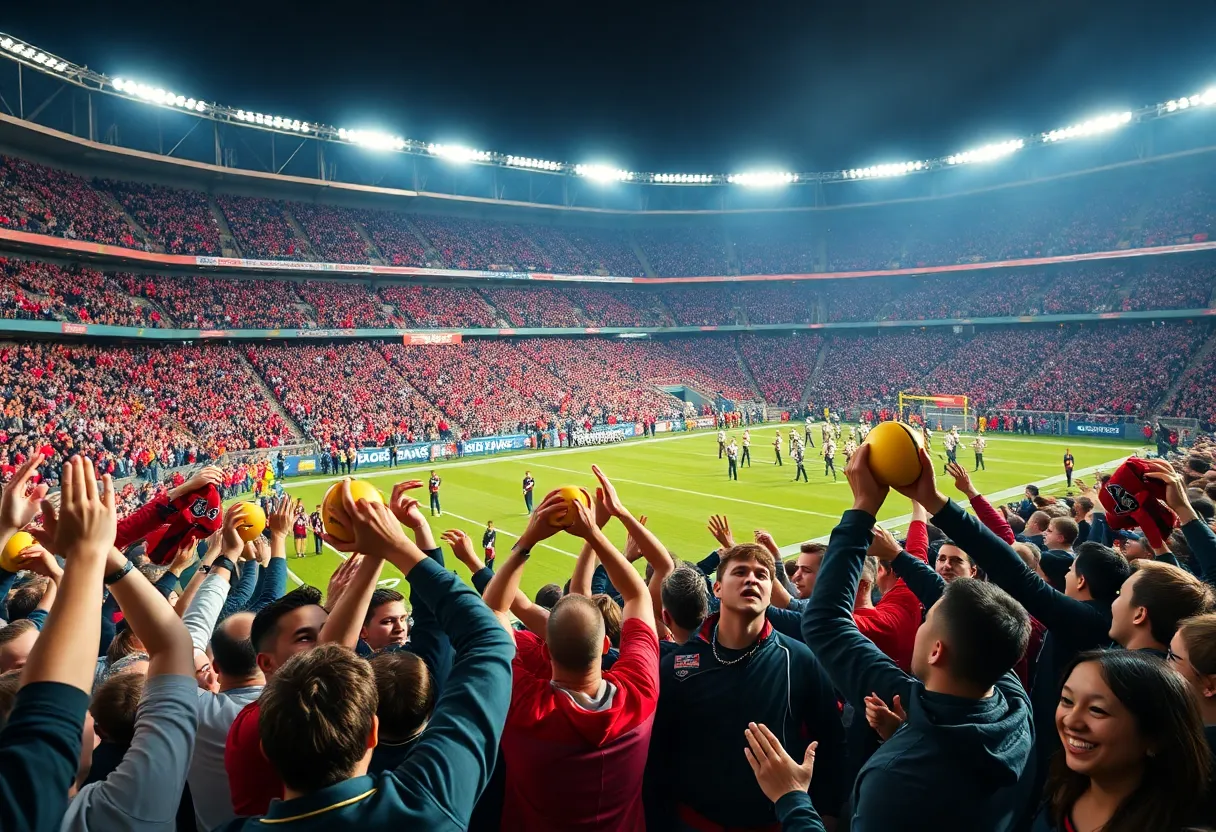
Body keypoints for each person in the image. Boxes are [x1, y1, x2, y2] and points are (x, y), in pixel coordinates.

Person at [217, 479, 514, 831]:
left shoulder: (248, 737)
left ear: (266, 748)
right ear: (371, 731)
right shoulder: (426, 804)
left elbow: (328, 667)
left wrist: (375, 559)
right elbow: (489, 641)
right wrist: (393, 546)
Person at [786, 443, 1034, 831]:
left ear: (937, 650)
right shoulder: (1016, 709)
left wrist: (792, 801)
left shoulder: (896, 775)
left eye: (928, 619)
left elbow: (824, 622)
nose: (922, 619)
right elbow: (966, 608)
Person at [484, 468, 660, 831]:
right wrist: (594, 532)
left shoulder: (523, 705)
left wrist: (529, 540)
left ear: (546, 651)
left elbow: (495, 609)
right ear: (606, 644)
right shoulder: (639, 693)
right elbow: (637, 595)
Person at [646, 542, 846, 829]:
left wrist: (828, 813)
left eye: (762, 575)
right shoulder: (677, 665)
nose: (752, 579)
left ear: (770, 591)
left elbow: (830, 743)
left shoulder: (800, 660)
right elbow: (657, 754)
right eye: (740, 572)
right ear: (717, 589)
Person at [1034, 649, 1211, 832]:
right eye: (1067, 700)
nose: (1071, 721)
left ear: (1156, 737)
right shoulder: (1060, 791)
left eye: (1097, 709)